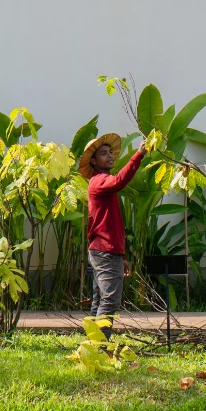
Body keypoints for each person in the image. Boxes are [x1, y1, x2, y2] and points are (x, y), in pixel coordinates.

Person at [78, 132, 145, 335]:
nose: (110, 156)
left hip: (106, 251)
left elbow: (112, 227)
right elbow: (119, 181)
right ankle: (99, 348)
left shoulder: (102, 182)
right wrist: (139, 155)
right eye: (103, 153)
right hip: (104, 252)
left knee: (99, 301)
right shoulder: (99, 181)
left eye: (110, 153)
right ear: (93, 160)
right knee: (109, 302)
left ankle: (92, 345)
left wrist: (121, 256)